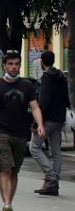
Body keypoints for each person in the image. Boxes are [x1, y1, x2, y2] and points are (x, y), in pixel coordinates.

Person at [0, 50, 45, 211]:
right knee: (5, 169)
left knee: (14, 172)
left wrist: (40, 125)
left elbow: (35, 107)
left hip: (21, 134)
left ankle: (9, 202)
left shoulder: (27, 86)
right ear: (4, 65)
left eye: (17, 64)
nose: (14, 67)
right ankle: (7, 204)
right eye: (10, 64)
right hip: (1, 133)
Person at [31, 50, 69, 196]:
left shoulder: (47, 77)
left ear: (42, 61)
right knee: (56, 151)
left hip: (47, 120)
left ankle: (51, 178)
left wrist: (36, 124)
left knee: (35, 147)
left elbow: (44, 103)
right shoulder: (61, 76)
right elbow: (66, 99)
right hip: (59, 119)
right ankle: (54, 182)